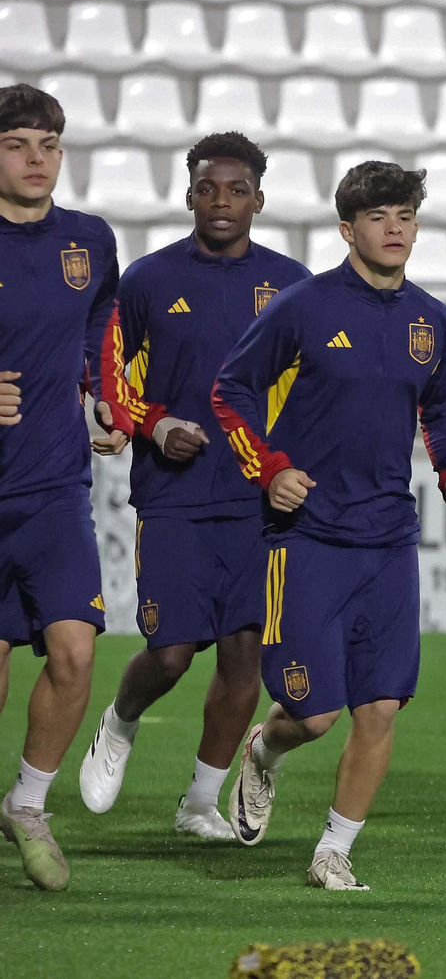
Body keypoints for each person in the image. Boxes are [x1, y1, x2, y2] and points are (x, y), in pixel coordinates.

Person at [212, 160, 446, 890]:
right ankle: (264, 750)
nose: (395, 229)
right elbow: (231, 391)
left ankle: (334, 850)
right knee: (314, 714)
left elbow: (444, 409)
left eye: (405, 217)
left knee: (381, 706)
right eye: (378, 217)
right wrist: (269, 468)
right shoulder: (303, 307)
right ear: (346, 229)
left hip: (389, 539)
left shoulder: (434, 320)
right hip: (307, 537)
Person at [78, 133, 311, 839]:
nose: (221, 201)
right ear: (188, 196)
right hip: (174, 495)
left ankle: (199, 804)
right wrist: (153, 426)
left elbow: (312, 389)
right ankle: (120, 721)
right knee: (173, 652)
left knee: (245, 655)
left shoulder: (292, 284)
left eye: (237, 190)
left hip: (257, 500)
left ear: (258, 200)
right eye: (208, 188)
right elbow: (108, 377)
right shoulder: (147, 280)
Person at [0, 83, 133, 892]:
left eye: (49, 144)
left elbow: (99, 325)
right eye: (17, 143)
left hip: (53, 486)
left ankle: (26, 803)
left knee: (76, 651)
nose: (36, 159)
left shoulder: (89, 240)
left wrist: (106, 395)